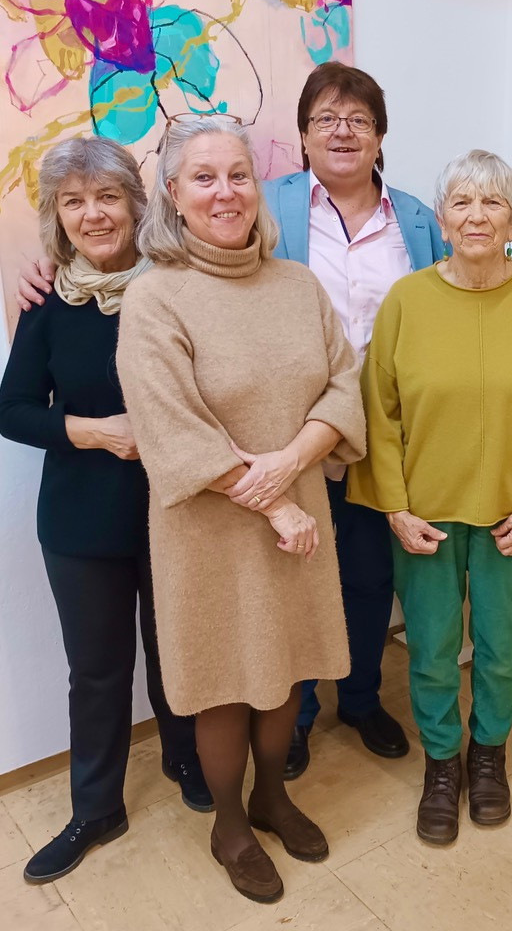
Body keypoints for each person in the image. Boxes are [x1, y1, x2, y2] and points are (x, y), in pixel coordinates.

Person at [261, 62, 512, 778]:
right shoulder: (268, 207)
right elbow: (193, 259)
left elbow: (477, 284)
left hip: (386, 439)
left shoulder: (416, 219)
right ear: (302, 135)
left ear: (380, 137)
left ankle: (362, 701)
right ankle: (297, 718)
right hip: (294, 434)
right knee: (295, 580)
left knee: (372, 580)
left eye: (359, 121)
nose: (343, 132)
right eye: (326, 119)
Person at [115, 114, 365, 903]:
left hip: (297, 516)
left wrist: (290, 467)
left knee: (285, 666)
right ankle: (228, 823)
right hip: (208, 529)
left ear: (259, 187)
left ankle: (272, 797)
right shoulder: (154, 297)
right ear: (173, 194)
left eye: (238, 175)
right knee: (224, 678)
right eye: (204, 178)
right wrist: (274, 504)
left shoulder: (298, 286)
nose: (225, 193)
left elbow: (342, 386)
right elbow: (169, 424)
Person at [346, 150, 512, 846]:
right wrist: (394, 506)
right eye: (462, 202)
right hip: (424, 512)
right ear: (442, 219)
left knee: (504, 647)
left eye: (493, 202)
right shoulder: (407, 300)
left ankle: (488, 756)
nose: (477, 215)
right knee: (431, 647)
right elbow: (379, 411)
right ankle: (442, 764)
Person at [0, 136, 211, 885]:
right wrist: (96, 432)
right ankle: (96, 809)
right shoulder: (50, 301)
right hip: (80, 523)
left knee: (178, 650)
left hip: (175, 509)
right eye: (74, 201)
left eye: (108, 197)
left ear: (137, 204)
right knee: (96, 671)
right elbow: (13, 411)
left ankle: (187, 760)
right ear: (58, 215)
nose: (93, 214)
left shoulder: (177, 286)